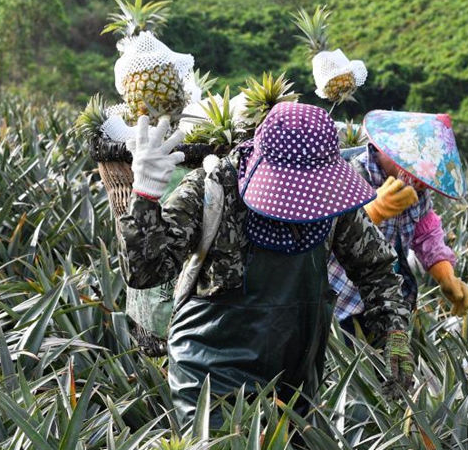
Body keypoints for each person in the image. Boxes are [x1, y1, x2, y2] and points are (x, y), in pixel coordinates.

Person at [118, 102, 413, 427]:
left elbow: (377, 270)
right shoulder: (212, 190)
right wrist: (145, 198)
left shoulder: (333, 200)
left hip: (296, 378)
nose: (302, 200)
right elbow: (146, 271)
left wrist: (394, 332)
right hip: (209, 377)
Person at [329, 110, 468, 338]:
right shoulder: (350, 175)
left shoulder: (417, 188)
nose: (422, 184)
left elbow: (426, 232)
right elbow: (325, 235)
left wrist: (445, 275)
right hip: (341, 304)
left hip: (386, 303)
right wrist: (372, 211)